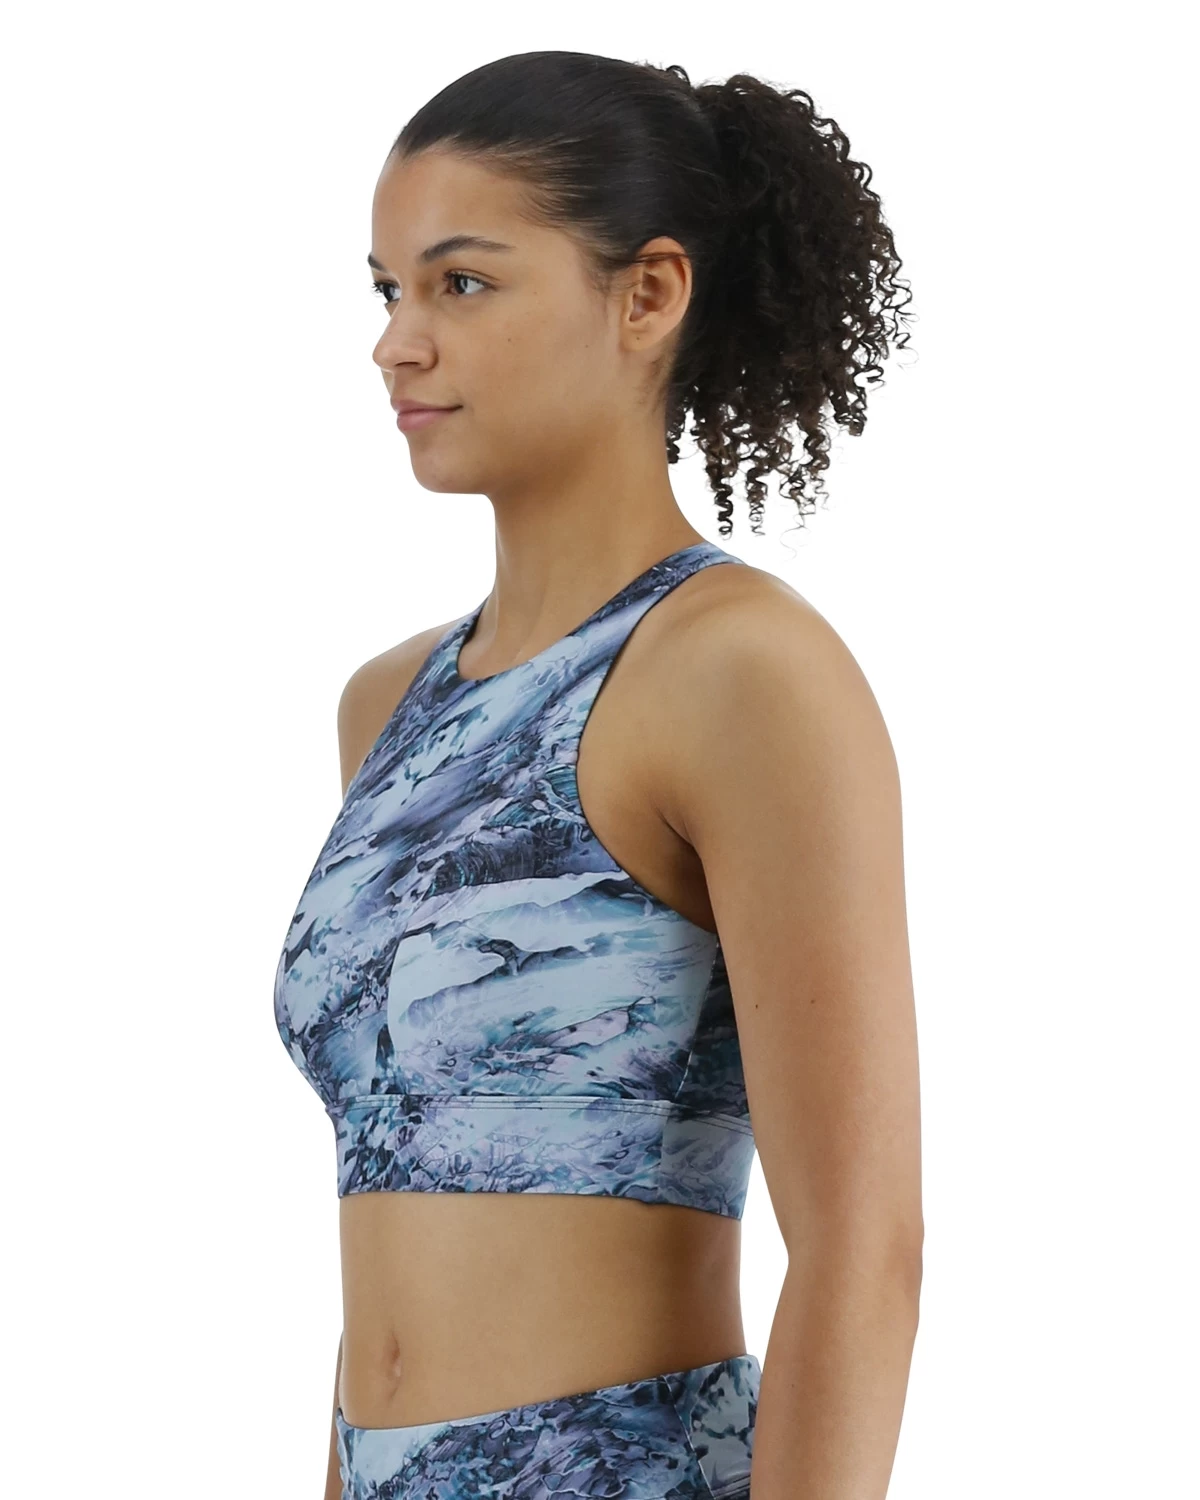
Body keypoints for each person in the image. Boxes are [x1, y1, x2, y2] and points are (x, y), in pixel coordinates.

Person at [273, 49, 922, 1500]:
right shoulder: (387, 708)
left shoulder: (740, 670)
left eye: (463, 283)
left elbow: (864, 1250)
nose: (397, 344)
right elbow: (391, 1201)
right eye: (388, 290)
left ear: (649, 296)